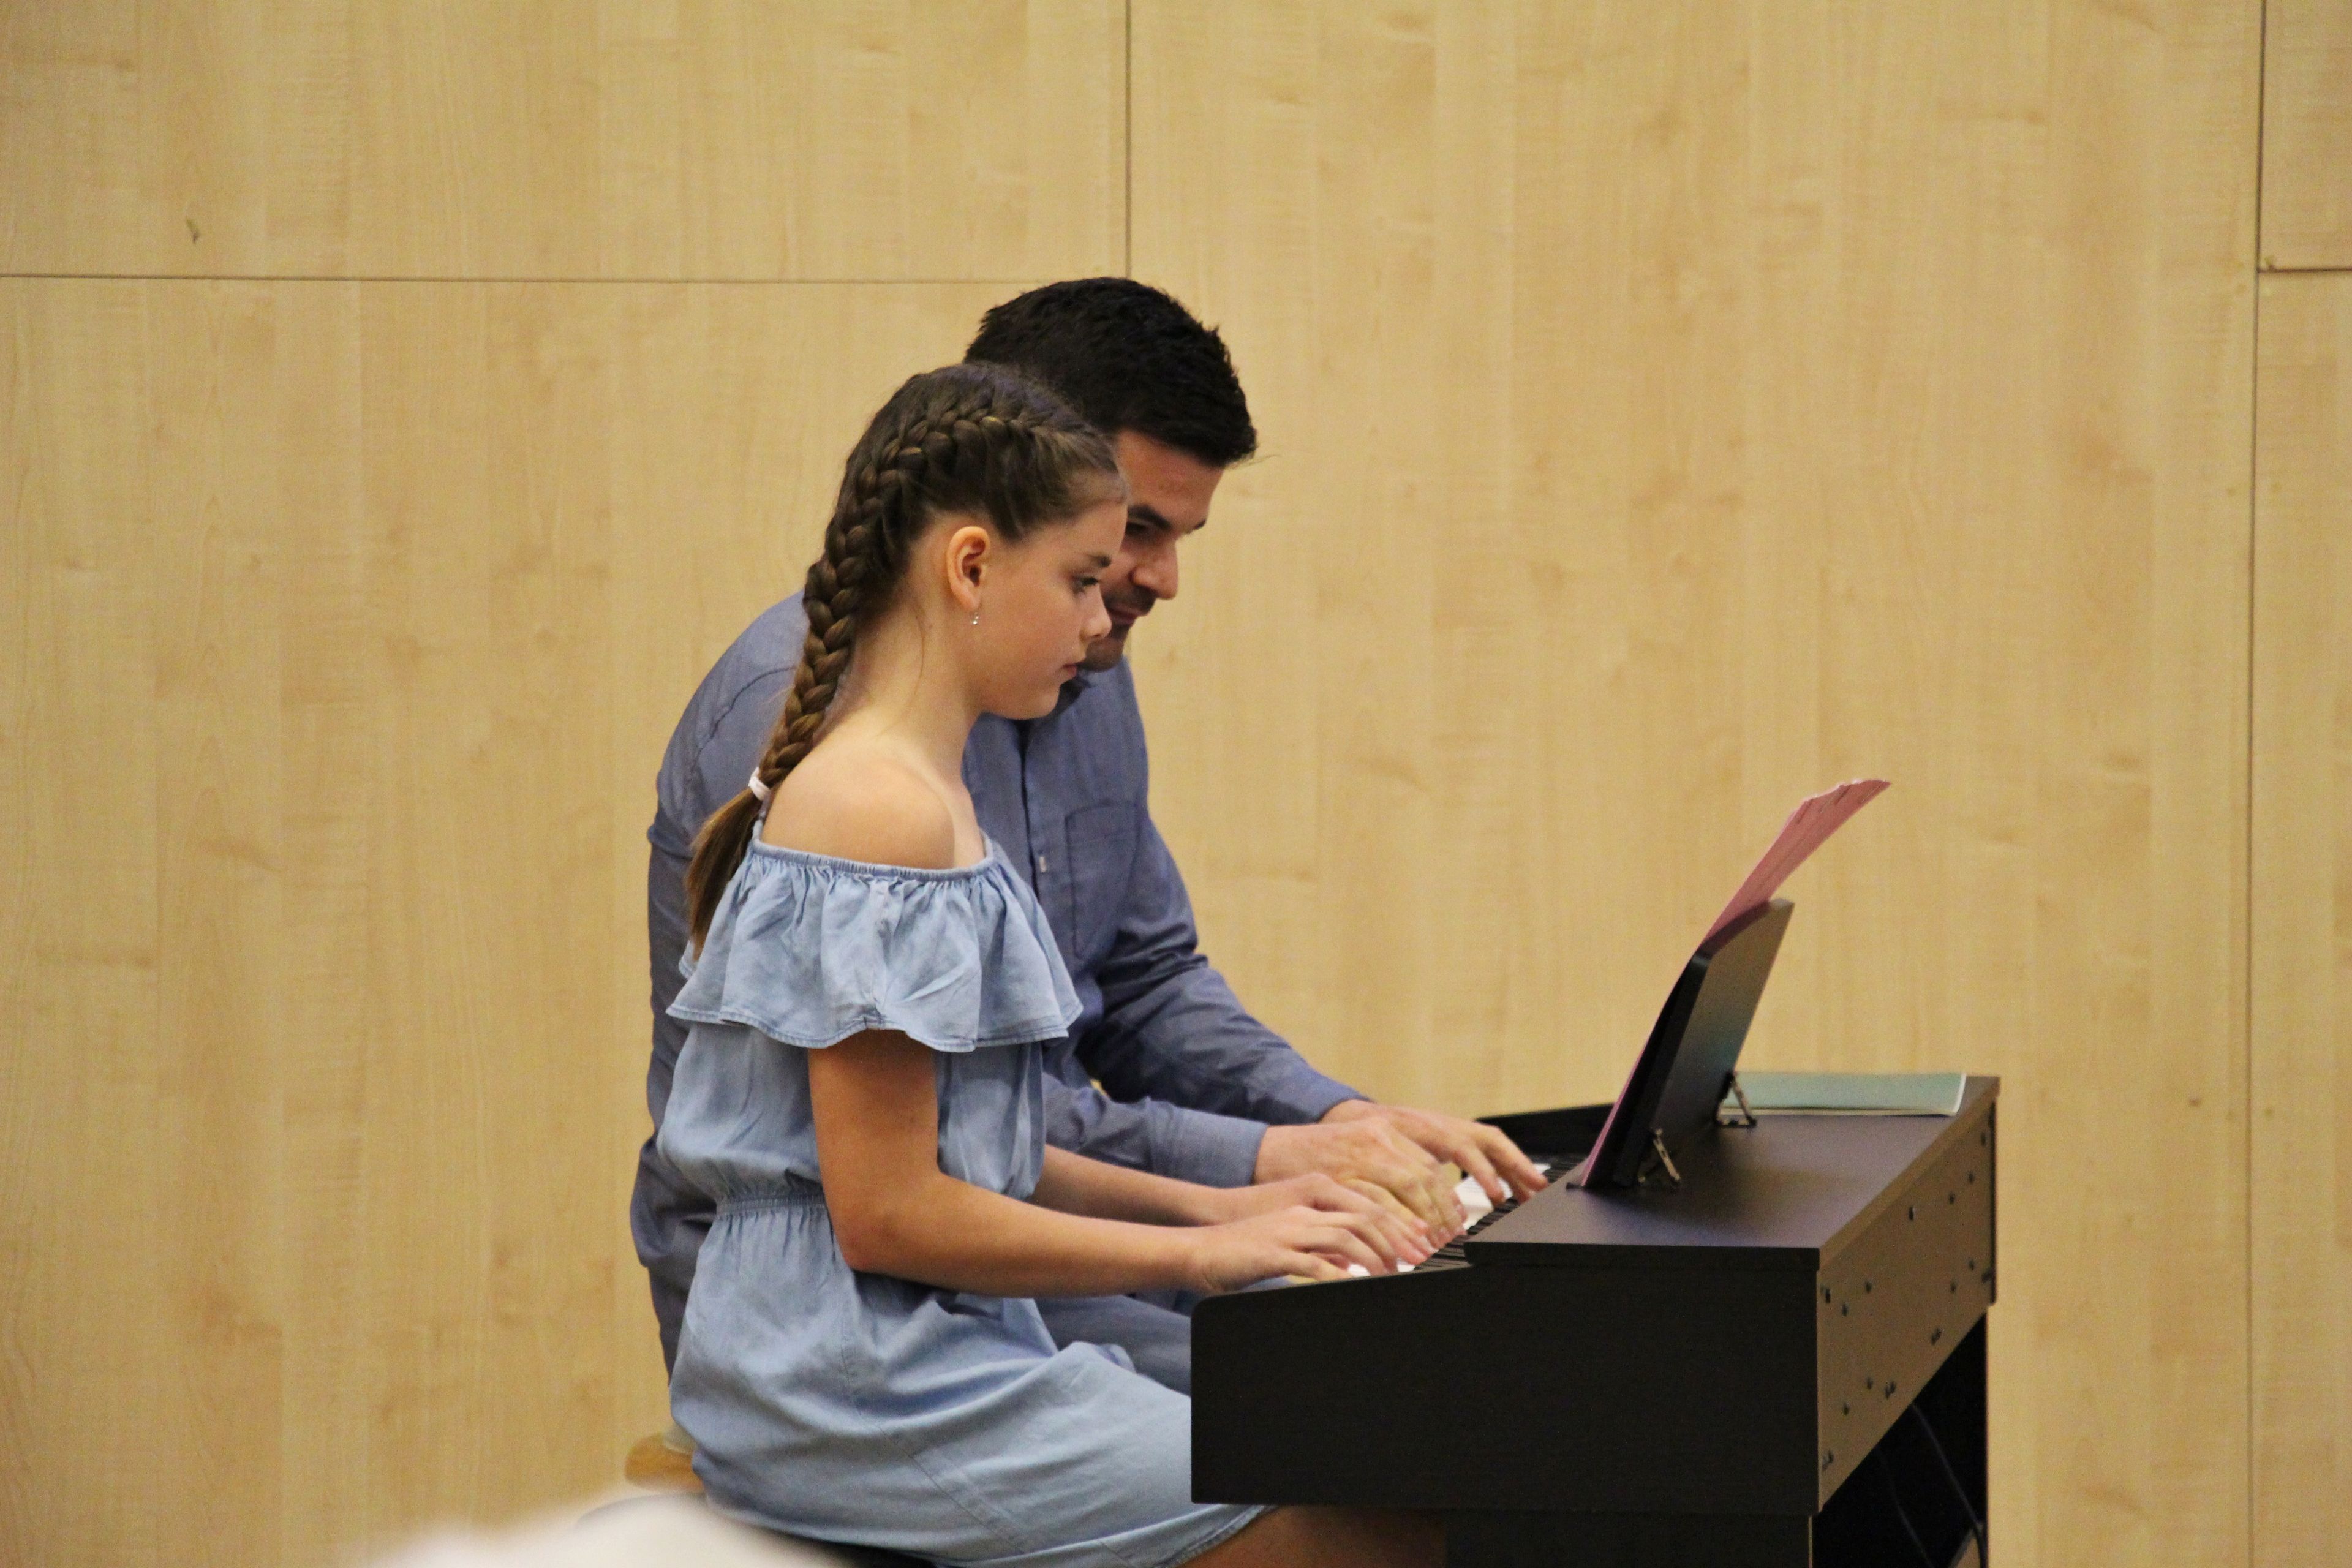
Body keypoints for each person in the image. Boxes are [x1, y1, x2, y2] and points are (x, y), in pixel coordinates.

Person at [638, 278, 1544, 1387]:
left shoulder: (1074, 665)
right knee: (1345, 1404)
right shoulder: (826, 742)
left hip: (1033, 1232)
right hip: (856, 1307)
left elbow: (1146, 982)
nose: (1158, 579)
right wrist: (1247, 1174)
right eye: (1131, 536)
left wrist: (1338, 1122)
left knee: (1428, 1341)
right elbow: (948, 1142)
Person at [662, 361, 1441, 1567]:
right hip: (850, 1386)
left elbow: (988, 1153)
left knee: (1400, 1464)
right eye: (1080, 579)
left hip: (918, 1350)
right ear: (971, 566)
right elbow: (890, 1213)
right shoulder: (877, 811)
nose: (1099, 619)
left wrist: (1233, 1206)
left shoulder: (925, 792)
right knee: (1375, 1521)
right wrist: (1200, 1252)